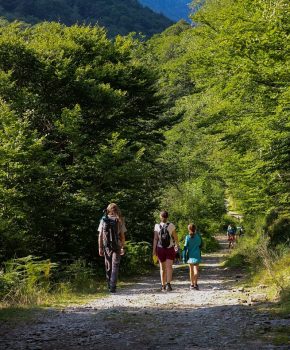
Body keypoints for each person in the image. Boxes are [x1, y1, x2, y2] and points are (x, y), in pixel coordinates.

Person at [98, 203, 126, 293]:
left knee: (108, 265)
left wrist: (100, 247)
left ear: (108, 209)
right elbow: (122, 235)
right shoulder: (119, 220)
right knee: (115, 265)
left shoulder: (103, 220)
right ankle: (113, 285)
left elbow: (100, 235)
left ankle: (109, 285)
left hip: (106, 245)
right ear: (117, 209)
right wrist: (122, 247)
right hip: (117, 245)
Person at [153, 210, 179, 292]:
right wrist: (177, 246)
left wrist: (154, 250)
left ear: (160, 217)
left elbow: (155, 239)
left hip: (160, 248)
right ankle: (168, 285)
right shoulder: (171, 225)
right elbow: (175, 237)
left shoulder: (157, 226)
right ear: (167, 217)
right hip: (170, 248)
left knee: (162, 268)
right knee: (169, 267)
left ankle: (163, 285)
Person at [183, 224, 202, 290]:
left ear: (188, 229)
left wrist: (184, 257)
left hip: (190, 256)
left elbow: (185, 247)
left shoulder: (187, 237)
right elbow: (200, 244)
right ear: (195, 229)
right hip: (197, 255)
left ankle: (191, 284)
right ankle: (196, 284)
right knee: (196, 270)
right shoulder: (198, 236)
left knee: (191, 270)